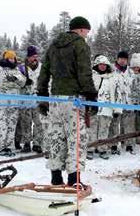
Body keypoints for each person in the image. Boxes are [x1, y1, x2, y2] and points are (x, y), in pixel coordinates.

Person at [36, 16, 96, 186]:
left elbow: (44, 73)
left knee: (56, 136)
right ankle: (73, 179)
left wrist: (42, 96)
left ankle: (55, 177)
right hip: (73, 100)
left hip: (55, 99)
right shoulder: (80, 45)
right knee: (75, 139)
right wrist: (91, 95)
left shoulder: (53, 45)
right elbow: (85, 73)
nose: (86, 35)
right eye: (87, 32)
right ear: (82, 29)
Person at [88, 55, 126, 160]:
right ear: (96, 65)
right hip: (93, 108)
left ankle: (102, 149)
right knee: (92, 129)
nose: (103, 66)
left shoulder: (112, 77)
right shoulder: (91, 76)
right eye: (100, 64)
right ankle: (90, 149)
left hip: (107, 108)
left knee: (104, 130)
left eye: (104, 65)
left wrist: (117, 109)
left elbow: (117, 93)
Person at [0, 50, 27, 157]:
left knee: (12, 126)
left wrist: (14, 79)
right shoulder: (0, 68)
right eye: (10, 58)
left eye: (13, 58)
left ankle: (8, 146)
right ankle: (1, 147)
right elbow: (1, 83)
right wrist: (15, 83)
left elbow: (23, 82)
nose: (12, 60)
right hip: (2, 103)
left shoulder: (16, 69)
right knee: (2, 125)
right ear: (6, 58)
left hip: (14, 103)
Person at [14, 46, 41, 153]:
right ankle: (26, 143)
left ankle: (37, 143)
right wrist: (25, 81)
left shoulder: (41, 67)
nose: (35, 58)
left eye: (36, 56)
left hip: (38, 98)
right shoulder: (21, 67)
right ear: (28, 57)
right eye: (32, 56)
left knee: (39, 122)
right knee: (26, 122)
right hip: (25, 99)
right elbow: (17, 80)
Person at [120, 53, 140, 154]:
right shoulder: (127, 73)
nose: (135, 68)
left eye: (137, 66)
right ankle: (128, 143)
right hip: (129, 102)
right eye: (133, 66)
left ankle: (139, 140)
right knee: (128, 123)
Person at [107, 51, 130, 155]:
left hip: (127, 101)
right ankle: (114, 145)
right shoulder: (111, 70)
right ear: (117, 58)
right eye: (121, 58)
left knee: (127, 124)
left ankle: (127, 143)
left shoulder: (129, 71)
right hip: (116, 101)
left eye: (124, 59)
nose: (122, 60)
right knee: (115, 124)